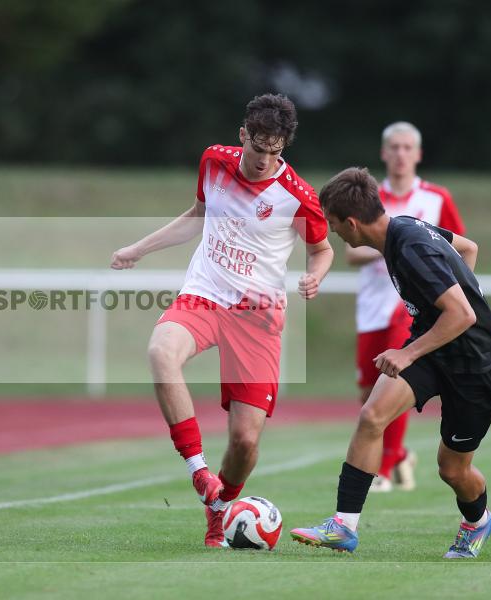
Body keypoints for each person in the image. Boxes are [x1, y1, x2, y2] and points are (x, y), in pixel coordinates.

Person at [111, 94, 333, 547]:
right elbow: (197, 216)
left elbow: (322, 249)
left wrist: (315, 275)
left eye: (275, 152)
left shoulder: (299, 196)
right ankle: (198, 472)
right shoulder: (214, 161)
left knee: (245, 444)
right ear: (243, 135)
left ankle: (219, 510)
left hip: (258, 320)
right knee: (160, 352)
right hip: (205, 295)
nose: (264, 161)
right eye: (258, 149)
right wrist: (138, 248)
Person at [290, 167, 491, 558]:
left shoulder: (411, 246)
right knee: (372, 417)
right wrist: (439, 317)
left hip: (476, 365)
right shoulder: (401, 227)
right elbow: (469, 247)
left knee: (452, 469)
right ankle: (343, 527)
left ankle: (478, 521)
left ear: (353, 222)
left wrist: (408, 351)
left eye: (335, 225)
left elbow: (463, 316)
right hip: (434, 346)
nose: (335, 233)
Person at [348, 122, 466, 493]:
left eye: (406, 148)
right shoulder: (369, 197)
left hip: (413, 305)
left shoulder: (436, 198)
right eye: (393, 147)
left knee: (393, 377)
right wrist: (388, 244)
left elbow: (460, 247)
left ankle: (383, 467)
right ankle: (399, 457)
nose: (400, 154)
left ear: (417, 154)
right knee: (368, 391)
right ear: (384, 153)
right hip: (372, 304)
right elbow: (351, 252)